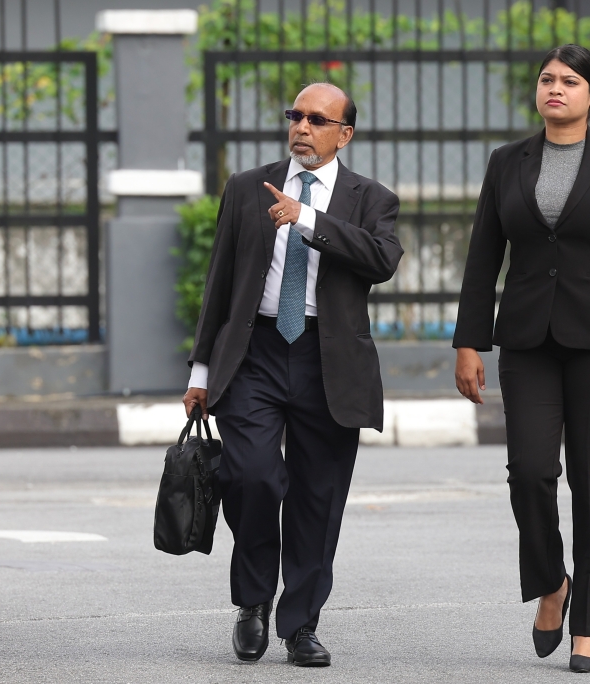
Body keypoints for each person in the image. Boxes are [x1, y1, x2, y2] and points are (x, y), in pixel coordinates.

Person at [452, 45, 590, 673]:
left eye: (570, 81)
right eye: (548, 79)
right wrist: (469, 340)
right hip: (526, 340)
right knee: (528, 471)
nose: (556, 88)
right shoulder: (507, 163)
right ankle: (552, 582)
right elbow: (482, 257)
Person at [183, 82, 403, 667]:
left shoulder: (370, 198)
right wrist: (202, 369)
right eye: (296, 116)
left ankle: (301, 624)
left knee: (317, 498)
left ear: (344, 134)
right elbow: (221, 282)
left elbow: (382, 260)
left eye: (317, 119)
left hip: (326, 361)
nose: (302, 127)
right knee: (251, 477)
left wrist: (307, 217)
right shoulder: (246, 188)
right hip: (253, 354)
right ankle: (252, 603)